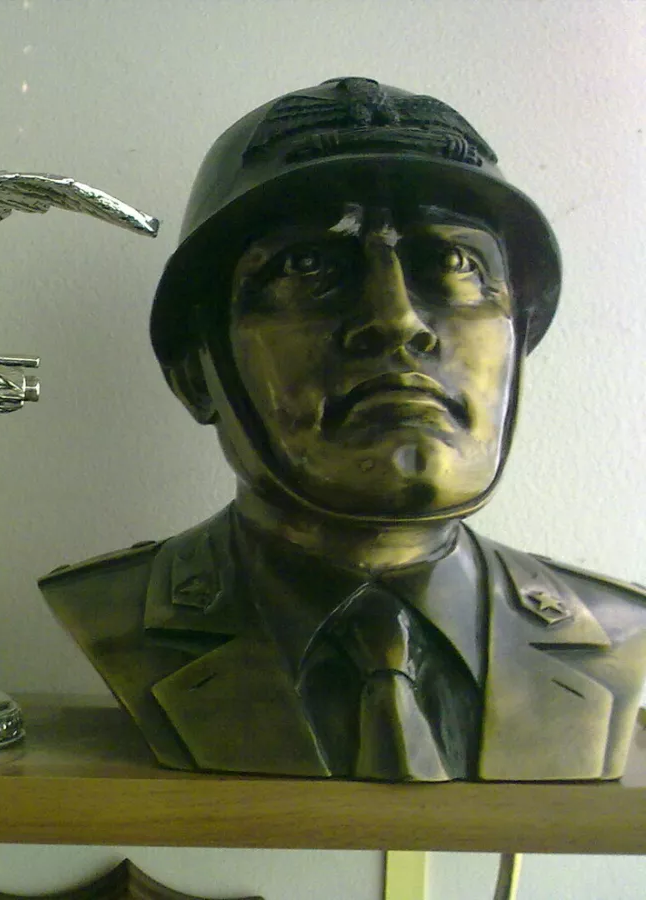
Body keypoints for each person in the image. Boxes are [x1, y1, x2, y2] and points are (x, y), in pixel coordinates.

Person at [40, 78, 646, 782]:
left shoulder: (619, 629)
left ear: (518, 342)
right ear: (196, 373)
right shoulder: (111, 612)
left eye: (455, 264)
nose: (396, 321)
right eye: (307, 266)